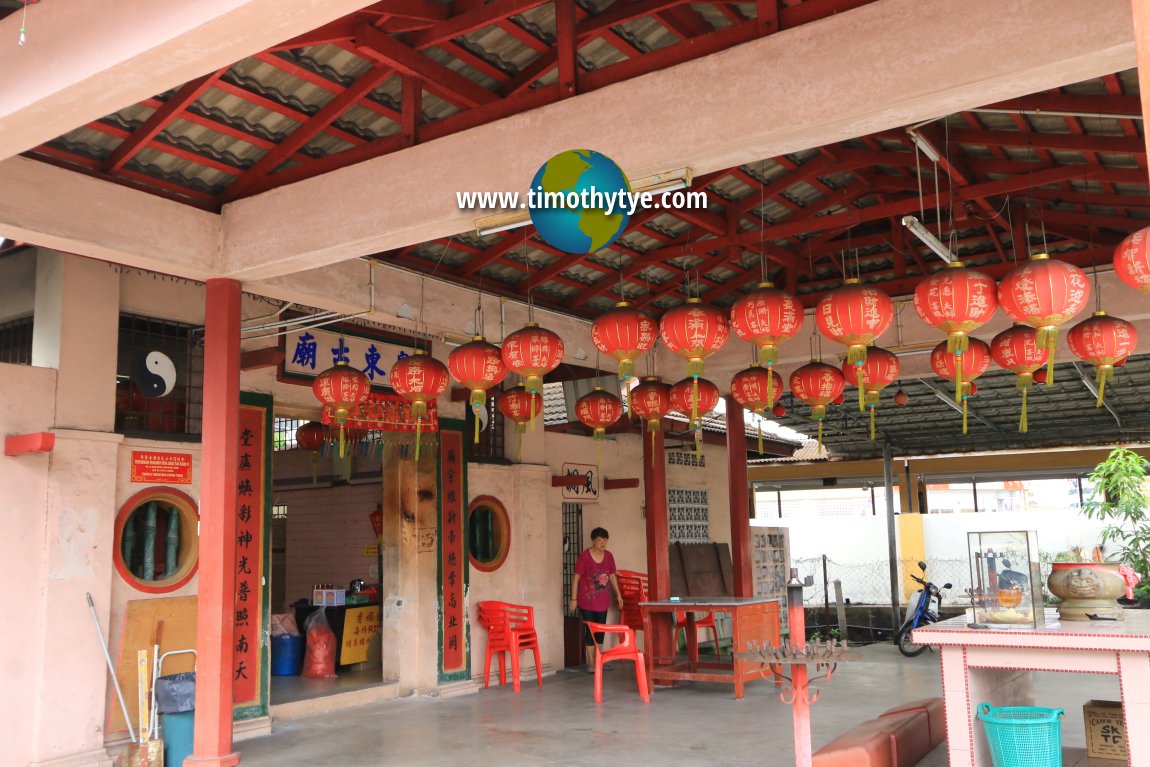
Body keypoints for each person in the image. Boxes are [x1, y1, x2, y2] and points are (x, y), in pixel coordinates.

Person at [568, 527, 624, 672]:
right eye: (600, 539)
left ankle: (599, 660)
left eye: (605, 539)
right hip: (586, 601)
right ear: (593, 541)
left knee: (600, 631)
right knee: (590, 630)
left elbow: (612, 576)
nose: (603, 542)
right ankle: (592, 663)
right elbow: (576, 578)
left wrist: (618, 595)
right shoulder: (584, 557)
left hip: (602, 601)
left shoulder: (609, 556)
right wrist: (573, 598)